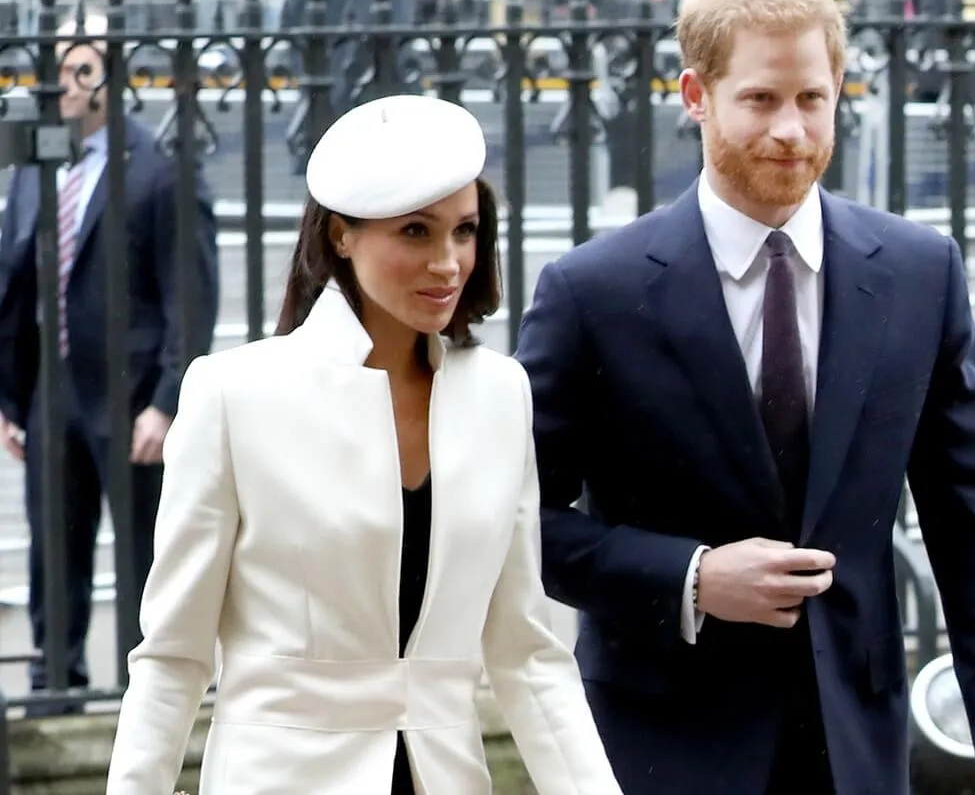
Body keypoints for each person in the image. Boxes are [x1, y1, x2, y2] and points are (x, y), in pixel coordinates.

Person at [515, 0, 975, 795]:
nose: (791, 130)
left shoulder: (919, 272)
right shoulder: (594, 292)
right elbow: (514, 520)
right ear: (697, 95)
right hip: (663, 742)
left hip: (857, 746)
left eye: (812, 99)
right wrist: (687, 576)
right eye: (760, 100)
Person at [105, 94, 623, 795]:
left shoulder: (500, 394)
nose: (448, 262)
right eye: (415, 231)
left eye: (464, 231)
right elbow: (172, 658)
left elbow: (528, 656)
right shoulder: (233, 394)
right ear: (341, 236)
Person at [0, 13, 219, 713]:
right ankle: (53, 684)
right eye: (57, 69)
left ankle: (148, 691)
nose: (62, 84)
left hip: (131, 397)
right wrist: (10, 397)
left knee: (142, 557)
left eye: (79, 69)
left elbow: (191, 295)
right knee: (52, 550)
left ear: (111, 79)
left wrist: (166, 399)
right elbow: (15, 278)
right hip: (49, 389)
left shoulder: (158, 171)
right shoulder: (38, 166)